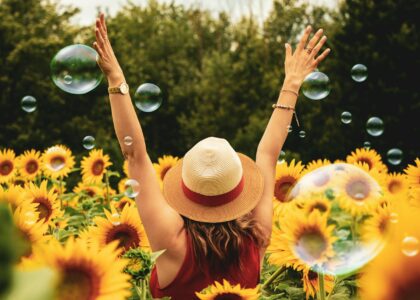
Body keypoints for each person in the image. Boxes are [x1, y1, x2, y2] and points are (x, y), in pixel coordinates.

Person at [93, 12, 330, 299]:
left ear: (187, 189)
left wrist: (116, 79)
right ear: (239, 188)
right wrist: (291, 84)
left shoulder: (172, 241)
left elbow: (134, 155)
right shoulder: (256, 238)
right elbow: (267, 155)